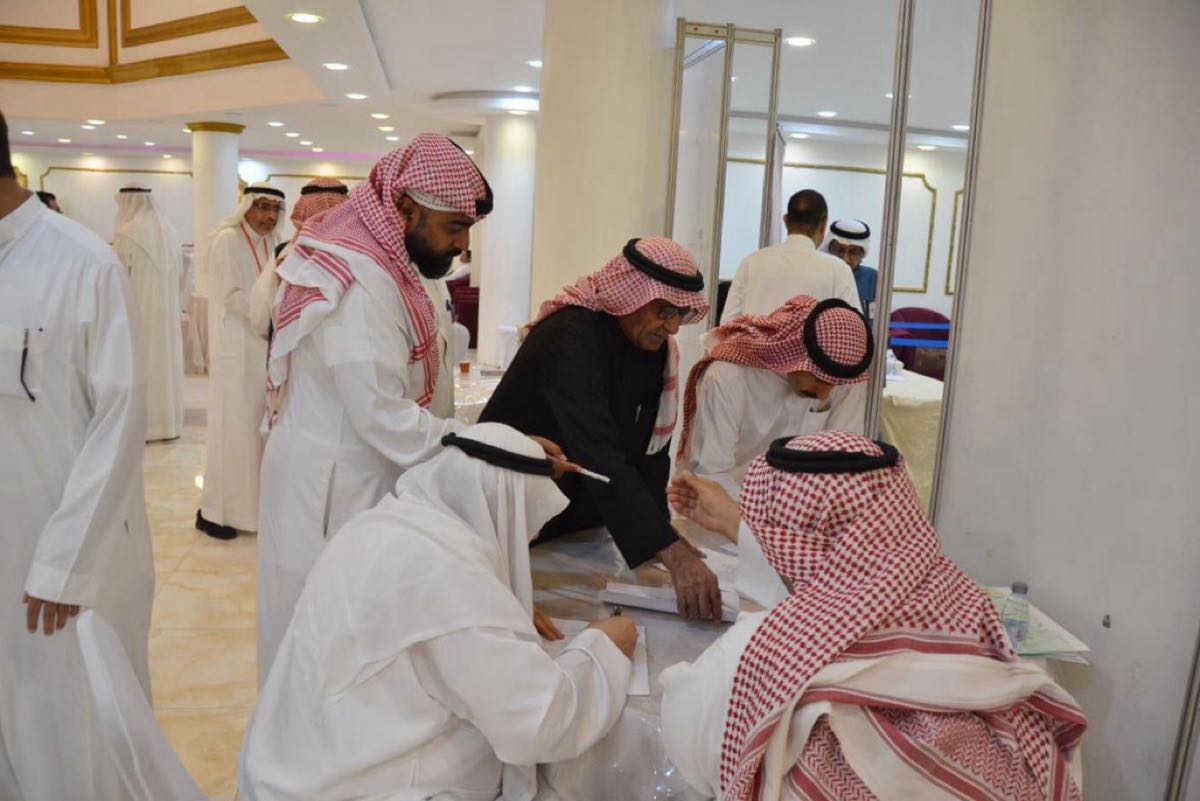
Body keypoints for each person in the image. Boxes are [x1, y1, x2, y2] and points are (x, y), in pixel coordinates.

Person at [662, 432, 1087, 801]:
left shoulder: (758, 660)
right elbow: (841, 575)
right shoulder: (982, 625)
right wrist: (745, 527)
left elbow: (691, 739)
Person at [240, 423, 637, 801]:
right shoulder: (450, 576)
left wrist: (497, 601)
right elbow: (537, 723)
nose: (531, 536)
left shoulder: (381, 524)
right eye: (529, 523)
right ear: (501, 504)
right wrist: (602, 646)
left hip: (291, 769)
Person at [255, 135, 495, 679]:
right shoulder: (360, 283)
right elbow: (382, 414)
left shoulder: (388, 264)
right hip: (334, 485)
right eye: (455, 227)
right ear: (405, 208)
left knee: (359, 642)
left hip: (356, 471)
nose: (463, 245)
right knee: (325, 646)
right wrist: (489, 449)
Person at [0, 110, 154, 800]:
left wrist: (65, 562)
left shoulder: (82, 263)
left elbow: (120, 420)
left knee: (72, 725)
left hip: (62, 559)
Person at [481, 237, 725, 621]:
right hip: (517, 511)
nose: (674, 326)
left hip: (579, 514)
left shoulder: (654, 348)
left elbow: (649, 451)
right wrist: (670, 551)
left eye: (681, 312)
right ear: (631, 294)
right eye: (665, 310)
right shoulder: (569, 335)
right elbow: (596, 448)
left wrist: (661, 534)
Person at [676, 295, 872, 606]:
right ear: (795, 355)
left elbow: (841, 463)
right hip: (723, 537)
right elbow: (711, 474)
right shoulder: (728, 376)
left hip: (803, 542)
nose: (826, 394)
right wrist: (765, 533)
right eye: (819, 380)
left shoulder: (841, 377)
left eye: (834, 384)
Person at [195, 181, 285, 541]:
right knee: (233, 428)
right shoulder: (227, 241)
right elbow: (231, 296)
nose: (269, 216)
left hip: (263, 345)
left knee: (256, 427)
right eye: (262, 207)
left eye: (275, 209)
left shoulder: (271, 243)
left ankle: (253, 509)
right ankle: (219, 511)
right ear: (246, 207)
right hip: (237, 346)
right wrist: (271, 317)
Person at [720, 189, 860, 323]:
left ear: (786, 221)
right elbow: (854, 329)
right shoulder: (839, 270)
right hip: (812, 342)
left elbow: (727, 323)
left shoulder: (751, 263)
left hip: (751, 341)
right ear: (823, 225)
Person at [112, 186, 185, 441]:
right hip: (167, 314)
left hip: (138, 313)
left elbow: (119, 280)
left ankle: (145, 425)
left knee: (142, 364)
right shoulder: (171, 233)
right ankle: (168, 424)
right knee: (164, 365)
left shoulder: (126, 234)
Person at [249, 177, 349, 340]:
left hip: (296, 346)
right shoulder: (362, 254)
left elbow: (260, 315)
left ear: (303, 210)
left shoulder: (287, 253)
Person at [823, 218, 878, 329]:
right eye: (840, 250)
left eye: (853, 252)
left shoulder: (873, 278)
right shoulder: (820, 275)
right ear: (830, 250)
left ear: (862, 255)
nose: (845, 259)